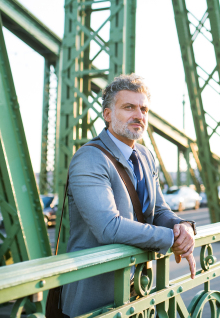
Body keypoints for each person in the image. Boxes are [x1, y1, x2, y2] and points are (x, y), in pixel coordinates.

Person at [60, 74, 196, 317]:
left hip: (138, 292)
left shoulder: (145, 155)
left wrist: (181, 227)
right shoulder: (90, 159)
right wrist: (170, 239)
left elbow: (160, 210)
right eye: (128, 107)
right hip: (96, 297)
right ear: (107, 114)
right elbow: (108, 228)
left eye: (143, 109)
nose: (139, 115)